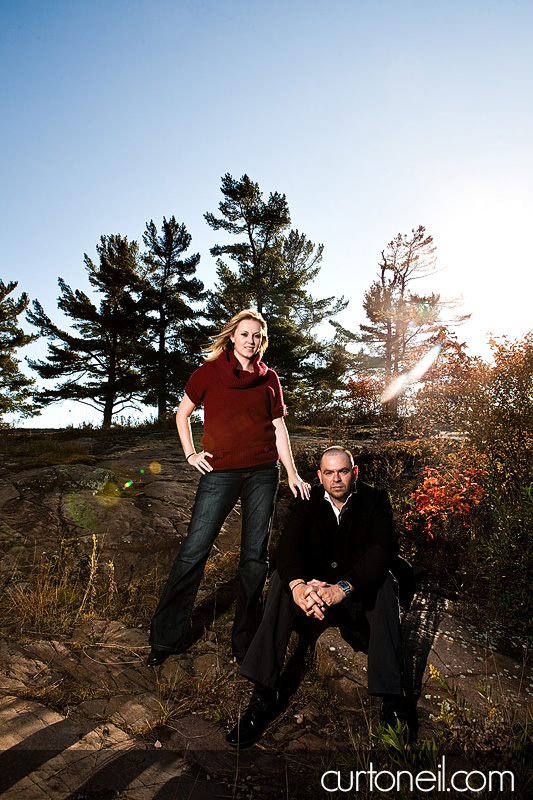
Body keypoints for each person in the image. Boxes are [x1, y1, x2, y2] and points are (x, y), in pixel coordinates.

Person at [147, 309, 310, 667]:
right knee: (194, 551)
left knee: (254, 557)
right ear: (233, 337)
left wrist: (292, 473)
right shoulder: (209, 373)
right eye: (245, 334)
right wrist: (191, 454)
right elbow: (182, 413)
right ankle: (165, 639)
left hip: (263, 473)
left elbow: (279, 429)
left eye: (257, 336)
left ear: (262, 341)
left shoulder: (270, 380)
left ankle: (245, 641)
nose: (250, 341)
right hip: (219, 472)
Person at [226, 446, 415, 748]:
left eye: (342, 471)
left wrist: (342, 588)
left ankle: (392, 700)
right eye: (329, 473)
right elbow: (288, 547)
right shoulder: (308, 500)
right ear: (319, 476)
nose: (336, 478)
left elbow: (383, 550)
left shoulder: (375, 500)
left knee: (386, 583)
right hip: (313, 599)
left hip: (355, 597)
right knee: (280, 581)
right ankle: (263, 695)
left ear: (355, 473)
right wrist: (300, 586)